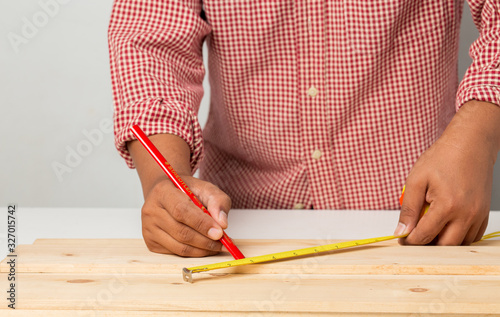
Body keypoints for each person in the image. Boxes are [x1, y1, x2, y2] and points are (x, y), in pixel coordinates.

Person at [108, 1, 500, 257]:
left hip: (418, 217)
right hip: (238, 221)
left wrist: (475, 136)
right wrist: (167, 181)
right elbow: (151, 45)